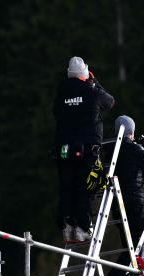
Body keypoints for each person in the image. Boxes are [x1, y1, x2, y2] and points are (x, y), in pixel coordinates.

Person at [54, 56, 115, 243]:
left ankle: (66, 227)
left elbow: (55, 112)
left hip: (63, 149)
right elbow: (110, 102)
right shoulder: (92, 91)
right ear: (84, 74)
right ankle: (81, 228)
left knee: (67, 188)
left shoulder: (60, 94)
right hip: (87, 148)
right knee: (85, 187)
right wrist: (94, 82)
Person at [114, 115, 144, 246]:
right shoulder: (134, 149)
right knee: (138, 246)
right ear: (131, 131)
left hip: (116, 203)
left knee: (127, 246)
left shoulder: (112, 150)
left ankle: (121, 267)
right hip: (135, 202)